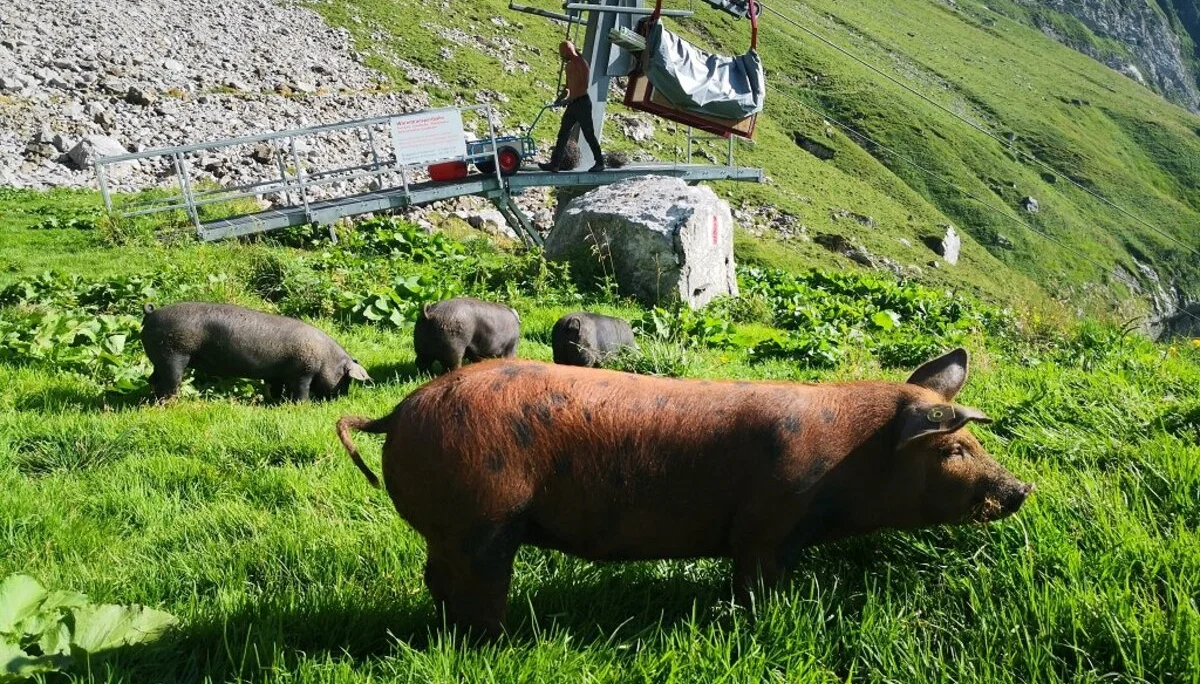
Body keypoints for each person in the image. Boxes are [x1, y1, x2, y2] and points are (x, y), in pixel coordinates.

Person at [540, 40, 605, 173]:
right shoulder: (568, 66)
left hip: (582, 103)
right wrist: (560, 98)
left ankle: (600, 162)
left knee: (588, 134)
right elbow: (568, 87)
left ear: (567, 50)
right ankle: (555, 164)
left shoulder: (581, 63)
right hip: (572, 104)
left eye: (561, 51)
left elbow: (584, 86)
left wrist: (568, 99)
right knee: (563, 133)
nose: (561, 54)